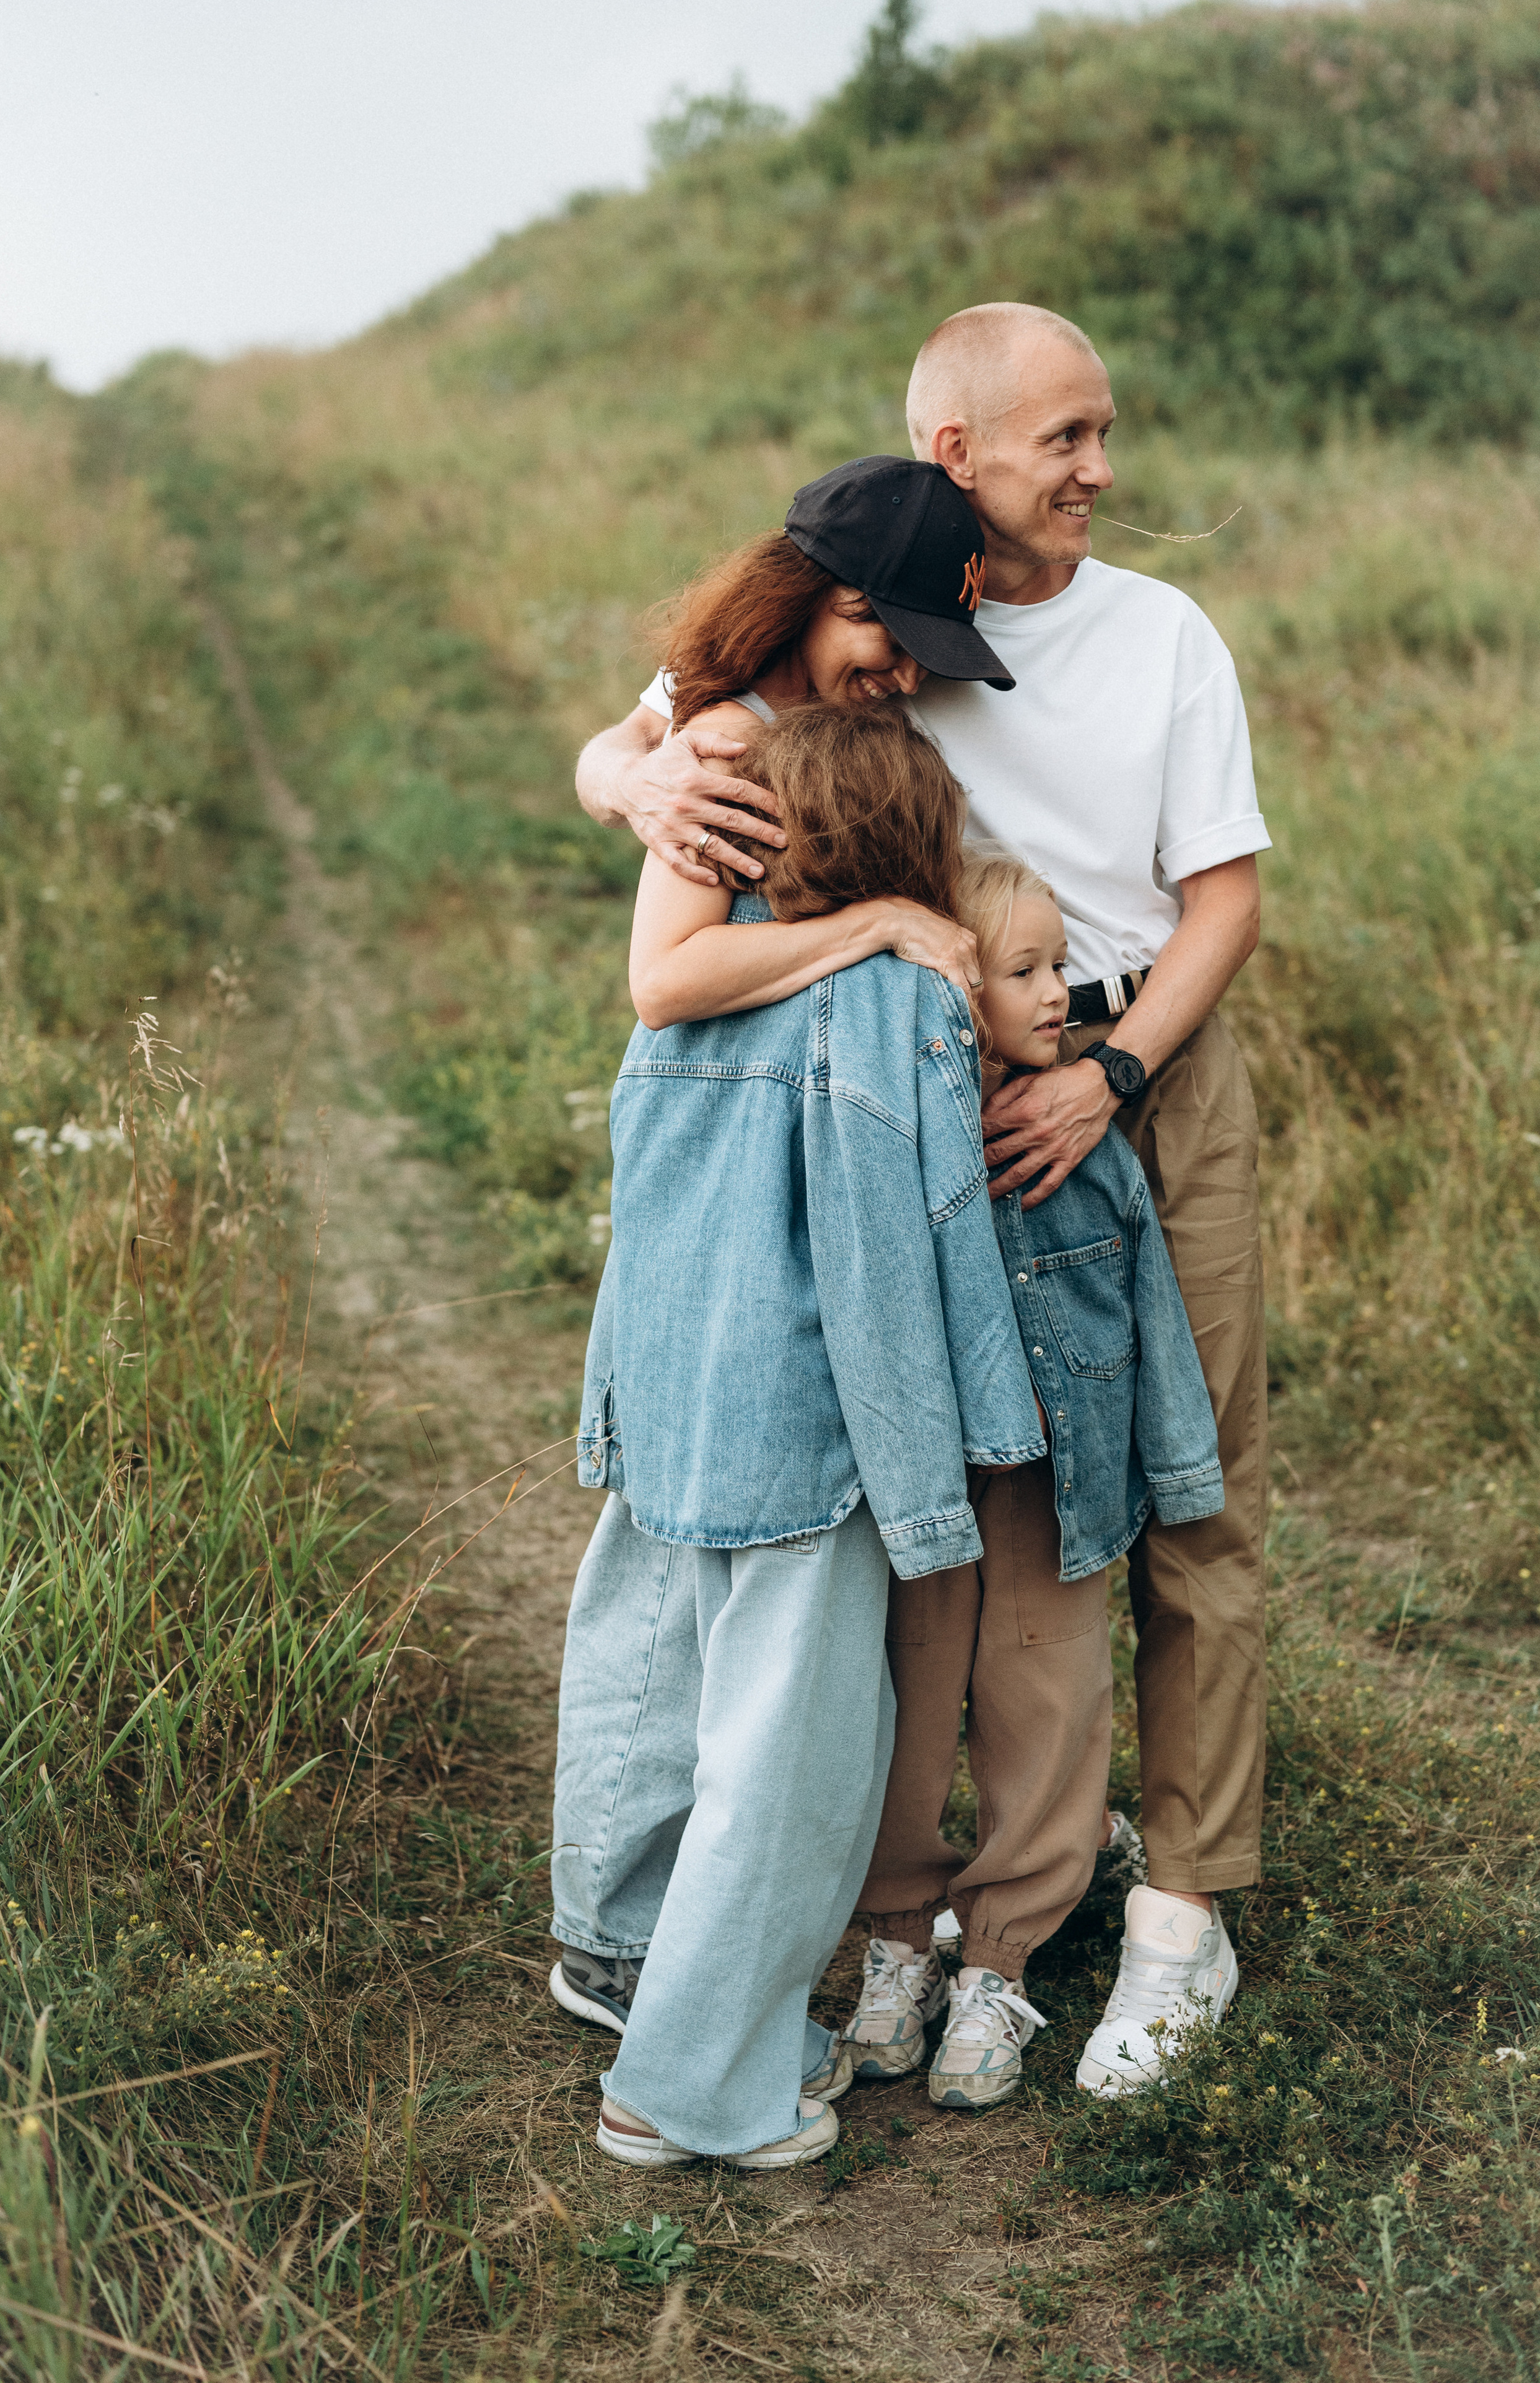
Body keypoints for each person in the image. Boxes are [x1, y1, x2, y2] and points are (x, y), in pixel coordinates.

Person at [575, 300, 1271, 2094]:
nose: (1104, 471)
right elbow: (659, 733)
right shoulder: (884, 603)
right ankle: (913, 1915)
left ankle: (1182, 1910)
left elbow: (1224, 903)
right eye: (1069, 440)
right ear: (955, 463)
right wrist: (637, 771)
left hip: (1136, 1076)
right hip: (924, 1108)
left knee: (1185, 1498)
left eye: (1104, 435)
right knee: (945, 1517)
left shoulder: (1155, 636)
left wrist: (1105, 1079)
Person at [551, 571, 1043, 2166]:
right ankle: (696, 2086)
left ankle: (612, 1949)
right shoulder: (892, 997)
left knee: (640, 1656)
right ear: (913, 852)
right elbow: (916, 1259)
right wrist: (973, 1435)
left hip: (668, 1374)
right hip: (807, 1420)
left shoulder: (702, 975)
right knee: (792, 1753)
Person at [845, 852, 1228, 2109]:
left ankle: (998, 1958)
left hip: (1053, 1482)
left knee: (1046, 1700)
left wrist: (1170, 1466)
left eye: (1059, 962)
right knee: (900, 1704)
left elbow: (1151, 1303)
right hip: (926, 1478)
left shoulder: (1083, 1140)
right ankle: (896, 1939)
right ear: (949, 990)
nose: (1058, 992)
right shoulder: (894, 1124)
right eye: (1023, 970)